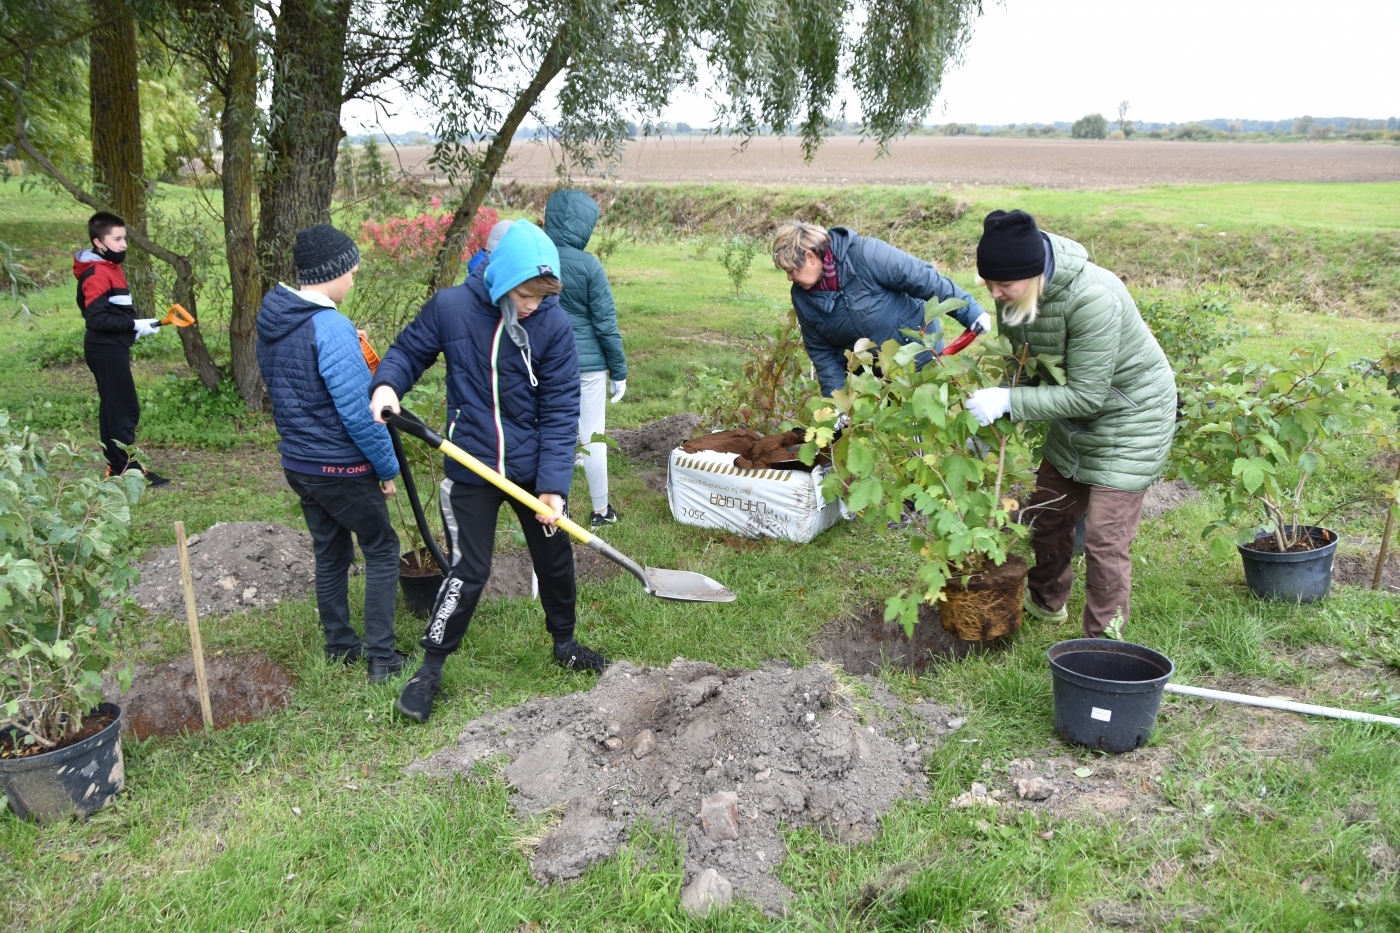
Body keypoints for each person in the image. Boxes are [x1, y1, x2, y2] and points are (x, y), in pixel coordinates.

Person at [370, 221, 608, 725]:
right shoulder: (451, 308)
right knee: (468, 571)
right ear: (501, 279)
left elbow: (562, 410)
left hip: (530, 470)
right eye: (526, 295)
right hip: (470, 464)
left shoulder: (554, 326)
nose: (533, 307)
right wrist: (388, 384)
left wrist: (552, 488)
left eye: (543, 297)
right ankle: (429, 670)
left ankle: (564, 642)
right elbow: (409, 351)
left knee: (554, 555)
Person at [964, 210, 1176, 638]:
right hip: (1075, 414)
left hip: (1133, 414)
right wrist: (992, 422)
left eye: (1003, 285)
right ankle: (1046, 602)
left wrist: (1009, 400)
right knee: (1050, 513)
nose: (995, 293)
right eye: (988, 284)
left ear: (1035, 272)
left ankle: (1103, 643)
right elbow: (1023, 362)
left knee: (1104, 538)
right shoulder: (1014, 294)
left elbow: (1088, 394)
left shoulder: (1093, 297)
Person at [255, 224, 407, 683]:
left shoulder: (275, 317)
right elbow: (362, 417)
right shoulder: (331, 326)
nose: (353, 281)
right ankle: (382, 658)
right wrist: (386, 468)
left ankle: (340, 646)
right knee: (382, 548)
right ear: (334, 272)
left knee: (330, 551)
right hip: (340, 465)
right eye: (353, 272)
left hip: (299, 463)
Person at [771, 222, 991, 397]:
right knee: (888, 443)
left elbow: (924, 279)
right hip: (871, 380)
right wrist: (836, 402)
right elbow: (821, 353)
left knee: (920, 435)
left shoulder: (865, 254)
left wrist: (970, 311)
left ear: (810, 257)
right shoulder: (802, 296)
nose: (790, 277)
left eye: (792, 269)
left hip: (916, 355)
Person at [544, 189, 627, 527]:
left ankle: (554, 508)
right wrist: (618, 370)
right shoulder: (589, 265)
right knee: (593, 436)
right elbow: (605, 325)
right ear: (585, 226)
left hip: (546, 362)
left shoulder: (538, 258)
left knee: (552, 433)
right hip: (588, 366)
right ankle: (601, 511)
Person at [74, 211, 168, 485]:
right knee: (124, 409)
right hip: (105, 350)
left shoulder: (110, 267)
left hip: (110, 347)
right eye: (117, 239)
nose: (124, 244)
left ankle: (118, 466)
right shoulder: (97, 273)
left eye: (124, 238)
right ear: (99, 242)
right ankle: (129, 471)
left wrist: (134, 329)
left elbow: (112, 313)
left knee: (113, 409)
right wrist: (133, 325)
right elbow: (97, 318)